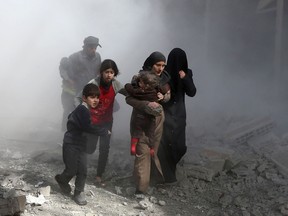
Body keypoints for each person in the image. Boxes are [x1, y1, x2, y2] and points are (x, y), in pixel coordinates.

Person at [55, 83, 110, 206]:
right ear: (84, 98)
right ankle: (62, 180)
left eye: (97, 97)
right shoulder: (82, 109)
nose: (95, 100)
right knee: (71, 169)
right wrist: (103, 131)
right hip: (71, 144)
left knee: (83, 170)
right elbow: (87, 127)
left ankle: (78, 192)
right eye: (92, 97)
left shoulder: (85, 110)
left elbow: (76, 120)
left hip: (81, 145)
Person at [125, 51, 170, 196]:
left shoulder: (164, 79)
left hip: (157, 119)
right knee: (142, 151)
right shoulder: (138, 79)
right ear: (151, 64)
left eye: (163, 65)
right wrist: (145, 105)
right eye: (158, 65)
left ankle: (150, 180)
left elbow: (169, 96)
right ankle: (141, 188)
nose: (161, 68)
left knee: (152, 150)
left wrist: (163, 97)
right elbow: (129, 98)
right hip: (141, 119)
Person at [76, 59, 127, 187]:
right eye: (106, 72)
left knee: (104, 149)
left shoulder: (115, 84)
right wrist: (82, 111)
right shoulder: (93, 83)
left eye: (112, 72)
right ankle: (79, 167)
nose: (109, 75)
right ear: (101, 72)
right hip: (92, 121)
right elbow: (79, 97)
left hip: (107, 121)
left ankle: (99, 175)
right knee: (90, 147)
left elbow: (128, 92)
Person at [158, 48, 197, 184]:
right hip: (166, 113)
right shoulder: (164, 73)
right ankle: (168, 177)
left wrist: (185, 78)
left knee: (179, 147)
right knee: (165, 146)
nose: (177, 64)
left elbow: (192, 92)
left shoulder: (187, 73)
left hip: (180, 115)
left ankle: (168, 173)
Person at [59, 36, 102, 131]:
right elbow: (63, 68)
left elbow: (98, 70)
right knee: (69, 110)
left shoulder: (97, 56)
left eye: (95, 47)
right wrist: (68, 80)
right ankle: (64, 132)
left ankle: (82, 132)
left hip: (88, 90)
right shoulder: (75, 57)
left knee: (85, 111)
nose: (94, 50)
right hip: (73, 90)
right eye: (91, 47)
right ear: (85, 46)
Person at [125, 71, 162, 155]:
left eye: (141, 82)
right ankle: (152, 148)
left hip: (139, 117)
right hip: (151, 118)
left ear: (146, 85)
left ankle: (133, 147)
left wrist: (129, 85)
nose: (139, 83)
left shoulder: (140, 92)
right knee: (151, 134)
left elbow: (131, 90)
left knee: (136, 132)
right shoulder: (154, 93)